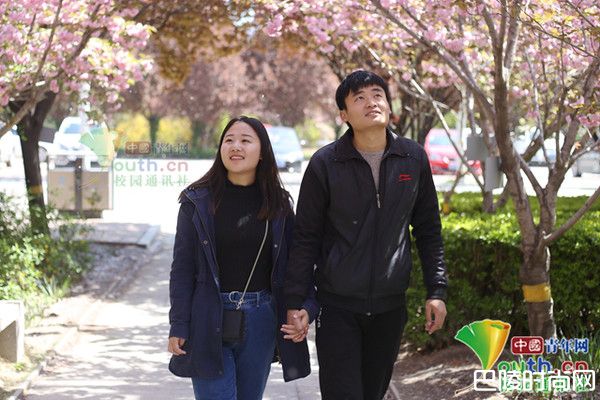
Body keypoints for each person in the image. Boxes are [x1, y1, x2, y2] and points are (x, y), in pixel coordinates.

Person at [284, 70, 448, 399]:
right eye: (359, 98)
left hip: (390, 307)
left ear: (388, 105)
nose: (371, 102)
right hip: (337, 307)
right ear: (344, 115)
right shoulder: (325, 163)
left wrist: (437, 290)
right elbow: (306, 237)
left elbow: (428, 229)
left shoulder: (412, 158)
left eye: (377, 95)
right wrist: (295, 301)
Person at [168, 116, 319, 400]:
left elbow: (295, 265)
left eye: (245, 140)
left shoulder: (279, 204)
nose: (235, 146)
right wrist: (179, 323)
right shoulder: (196, 202)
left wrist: (307, 308)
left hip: (261, 318)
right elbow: (182, 269)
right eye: (229, 140)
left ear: (262, 152)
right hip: (208, 315)